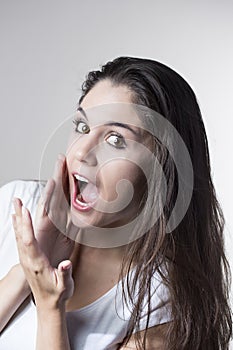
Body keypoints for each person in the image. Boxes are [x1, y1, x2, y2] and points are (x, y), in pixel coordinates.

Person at [0, 56, 232, 350]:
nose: (82, 151)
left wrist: (49, 307)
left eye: (115, 140)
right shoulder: (14, 205)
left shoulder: (159, 309)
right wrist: (25, 271)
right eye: (82, 127)